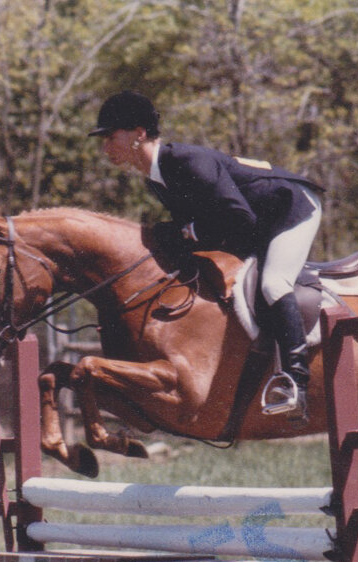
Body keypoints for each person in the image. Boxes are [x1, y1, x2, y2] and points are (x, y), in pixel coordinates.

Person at [89, 90, 324, 422]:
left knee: (273, 283)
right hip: (259, 222)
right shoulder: (156, 180)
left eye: (111, 136)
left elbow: (238, 220)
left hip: (292, 206)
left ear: (138, 134)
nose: (105, 146)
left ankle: (296, 384)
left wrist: (188, 232)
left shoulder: (186, 162)